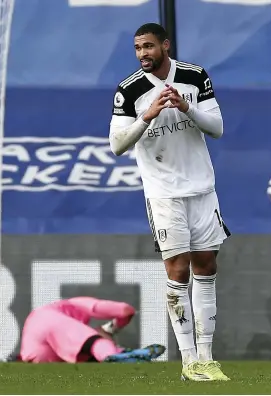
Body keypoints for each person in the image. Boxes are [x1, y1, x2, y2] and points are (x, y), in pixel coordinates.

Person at [108, 23, 230, 381]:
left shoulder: (194, 77)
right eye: (137, 48)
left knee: (206, 266)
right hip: (163, 193)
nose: (143, 54)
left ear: (165, 45)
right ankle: (189, 361)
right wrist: (146, 117)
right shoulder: (129, 91)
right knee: (177, 272)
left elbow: (218, 128)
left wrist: (186, 108)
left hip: (202, 188)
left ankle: (207, 357)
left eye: (148, 46)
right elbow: (116, 145)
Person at [11, 297, 165, 363]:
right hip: (46, 322)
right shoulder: (74, 305)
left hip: (36, 354)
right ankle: (115, 355)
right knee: (94, 344)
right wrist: (111, 328)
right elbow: (125, 310)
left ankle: (124, 354)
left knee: (87, 353)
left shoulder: (63, 318)